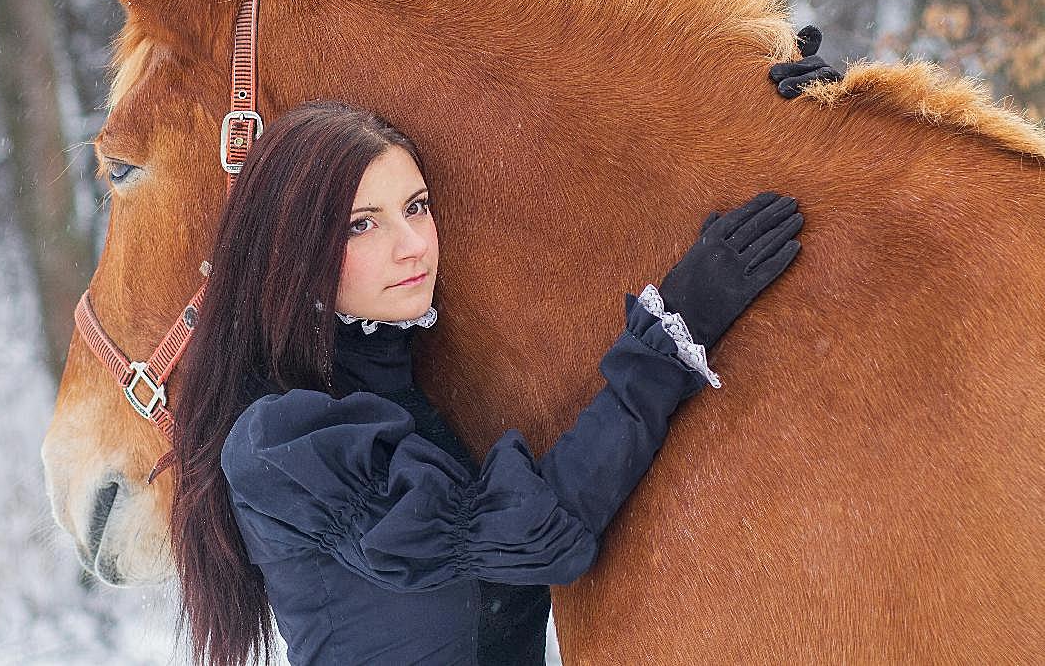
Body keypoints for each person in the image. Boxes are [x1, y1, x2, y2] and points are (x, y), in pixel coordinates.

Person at [171, 43, 838, 666]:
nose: (412, 245)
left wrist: (784, 135)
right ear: (291, 246)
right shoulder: (282, 443)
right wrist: (669, 336)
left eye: (417, 206)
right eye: (362, 223)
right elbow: (539, 527)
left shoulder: (419, 388)